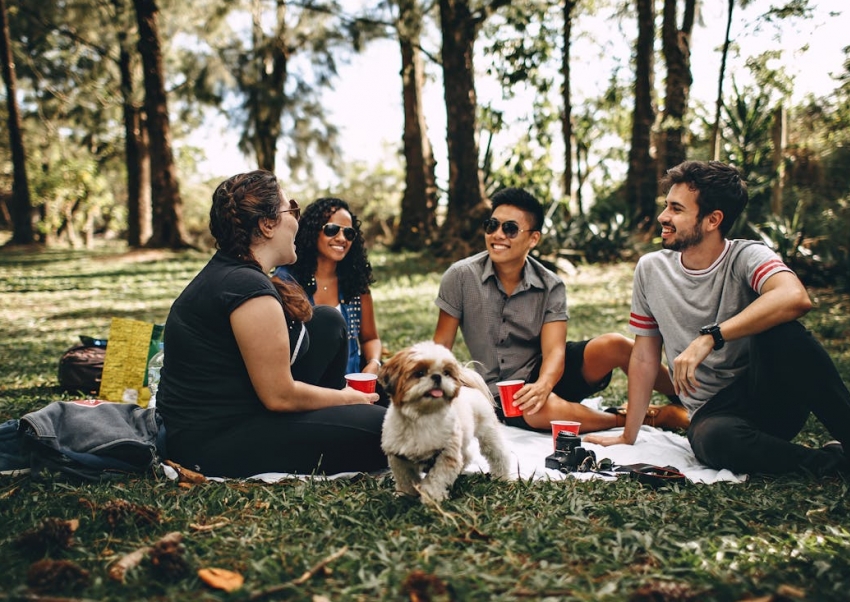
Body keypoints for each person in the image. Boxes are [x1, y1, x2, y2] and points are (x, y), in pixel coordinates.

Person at [583, 160, 850, 493]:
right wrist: (629, 433)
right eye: (666, 205)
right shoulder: (651, 269)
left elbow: (794, 297)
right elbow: (643, 356)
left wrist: (711, 337)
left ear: (713, 220)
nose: (663, 217)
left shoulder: (746, 256)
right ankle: (842, 462)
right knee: (713, 442)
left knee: (784, 332)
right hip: (714, 414)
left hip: (769, 394)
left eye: (676, 208)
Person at [156, 170, 387, 478]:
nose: (297, 219)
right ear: (266, 225)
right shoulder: (246, 288)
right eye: (291, 208)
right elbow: (279, 396)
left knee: (328, 321)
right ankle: (347, 417)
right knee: (387, 430)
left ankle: (341, 416)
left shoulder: (237, 274)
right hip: (214, 440)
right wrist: (349, 397)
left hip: (243, 410)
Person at [433, 187, 687, 433]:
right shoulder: (461, 277)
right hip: (502, 392)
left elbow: (555, 351)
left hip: (548, 372)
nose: (498, 235)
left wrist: (544, 384)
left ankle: (689, 399)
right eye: (492, 225)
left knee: (616, 345)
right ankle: (644, 418)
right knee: (537, 410)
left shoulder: (550, 284)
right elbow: (441, 347)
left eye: (510, 229)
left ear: (533, 238)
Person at [276, 197, 383, 378]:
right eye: (332, 229)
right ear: (312, 231)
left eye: (349, 233)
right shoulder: (286, 281)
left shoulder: (355, 282)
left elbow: (370, 338)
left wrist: (374, 363)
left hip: (353, 388)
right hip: (306, 389)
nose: (341, 238)